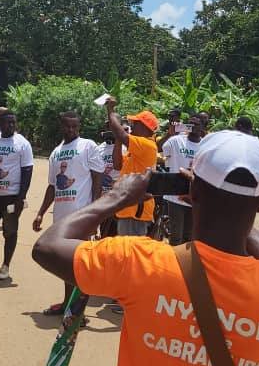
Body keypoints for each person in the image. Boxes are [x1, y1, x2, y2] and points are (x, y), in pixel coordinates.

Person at [32, 130, 259, 366]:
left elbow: (47, 247)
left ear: (191, 191)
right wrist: (240, 216)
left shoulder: (141, 262)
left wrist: (116, 198)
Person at [33, 111, 103, 315]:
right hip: (61, 217)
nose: (71, 130)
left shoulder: (88, 145)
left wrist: (95, 210)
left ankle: (77, 311)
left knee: (80, 263)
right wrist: (41, 213)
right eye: (67, 126)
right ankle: (67, 305)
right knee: (66, 262)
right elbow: (53, 186)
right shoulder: (56, 152)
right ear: (61, 126)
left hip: (81, 215)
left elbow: (97, 177)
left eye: (75, 126)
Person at [0, 109, 33, 280]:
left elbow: (27, 171)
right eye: (7, 122)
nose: (11, 125)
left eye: (13, 122)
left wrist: (21, 197)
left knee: (10, 232)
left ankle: (5, 266)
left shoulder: (22, 143)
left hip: (11, 197)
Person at [104, 97, 157, 237]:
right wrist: (118, 138)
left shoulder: (147, 145)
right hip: (129, 208)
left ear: (145, 127)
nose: (132, 125)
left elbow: (122, 134)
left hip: (136, 210)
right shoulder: (137, 148)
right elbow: (117, 164)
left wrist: (110, 111)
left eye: (136, 123)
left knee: (131, 252)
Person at [161, 116, 205, 245]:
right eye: (190, 124)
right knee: (176, 237)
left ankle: (184, 264)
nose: (193, 126)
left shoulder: (206, 146)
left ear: (202, 127)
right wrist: (170, 133)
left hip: (194, 197)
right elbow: (161, 150)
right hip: (175, 196)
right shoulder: (175, 141)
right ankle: (173, 264)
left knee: (189, 238)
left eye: (197, 124)